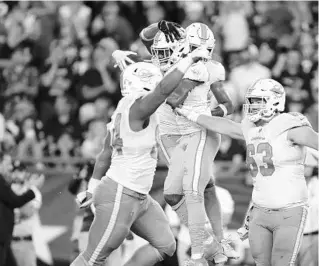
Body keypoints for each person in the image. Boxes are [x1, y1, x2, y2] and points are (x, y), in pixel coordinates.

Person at [71, 45, 211, 266]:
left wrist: (91, 186)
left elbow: (105, 154)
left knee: (166, 245)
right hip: (120, 193)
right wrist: (189, 58)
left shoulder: (123, 107)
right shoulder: (138, 108)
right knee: (93, 259)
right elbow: (163, 90)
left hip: (139, 196)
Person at [176, 78, 319, 266]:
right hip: (260, 209)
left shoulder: (288, 125)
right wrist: (192, 115)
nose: (251, 106)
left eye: (257, 101)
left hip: (288, 209)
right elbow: (225, 126)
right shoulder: (252, 129)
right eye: (251, 101)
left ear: (274, 101)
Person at [140, 21, 238, 266]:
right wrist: (158, 26)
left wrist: (212, 113)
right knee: (174, 194)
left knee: (200, 187)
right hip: (168, 133)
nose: (159, 57)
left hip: (195, 129)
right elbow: (145, 37)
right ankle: (209, 243)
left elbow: (222, 101)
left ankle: (211, 244)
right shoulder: (165, 57)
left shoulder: (199, 67)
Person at [0, 155, 41, 266]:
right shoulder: (5, 186)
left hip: (23, 242)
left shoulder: (33, 191)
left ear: (26, 173)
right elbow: (15, 203)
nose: (17, 174)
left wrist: (22, 195)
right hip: (8, 239)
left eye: (21, 171)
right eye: (15, 170)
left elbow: (27, 211)